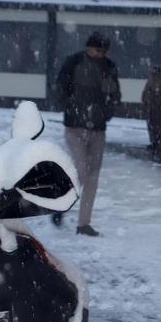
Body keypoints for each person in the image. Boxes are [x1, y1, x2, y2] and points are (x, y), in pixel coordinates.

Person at [54, 31, 121, 237]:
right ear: (89, 47)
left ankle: (84, 224)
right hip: (75, 127)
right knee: (81, 171)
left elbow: (114, 94)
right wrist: (70, 108)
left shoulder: (109, 67)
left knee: (93, 177)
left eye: (104, 51)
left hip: (98, 129)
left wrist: (106, 113)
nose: (101, 54)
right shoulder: (73, 62)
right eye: (98, 49)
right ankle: (60, 206)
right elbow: (60, 88)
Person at [142, 66, 161, 158]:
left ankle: (156, 141)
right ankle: (157, 141)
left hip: (155, 107)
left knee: (155, 125)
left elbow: (147, 93)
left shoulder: (155, 81)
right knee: (155, 125)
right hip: (154, 107)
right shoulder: (156, 81)